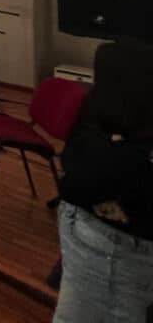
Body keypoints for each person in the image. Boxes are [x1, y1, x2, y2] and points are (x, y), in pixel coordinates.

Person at [52, 44, 153, 322]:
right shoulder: (103, 115)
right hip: (93, 239)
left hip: (118, 252)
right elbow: (73, 167)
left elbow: (76, 183)